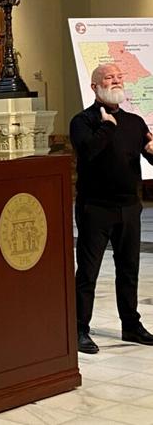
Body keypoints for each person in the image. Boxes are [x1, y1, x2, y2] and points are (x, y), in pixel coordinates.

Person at [70, 63, 153, 354]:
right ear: (95, 86)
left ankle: (130, 325)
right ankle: (80, 329)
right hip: (96, 208)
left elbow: (146, 157)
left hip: (130, 207)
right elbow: (89, 153)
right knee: (88, 273)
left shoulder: (135, 122)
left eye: (119, 76)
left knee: (129, 270)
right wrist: (106, 126)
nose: (116, 80)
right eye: (109, 77)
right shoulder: (83, 121)